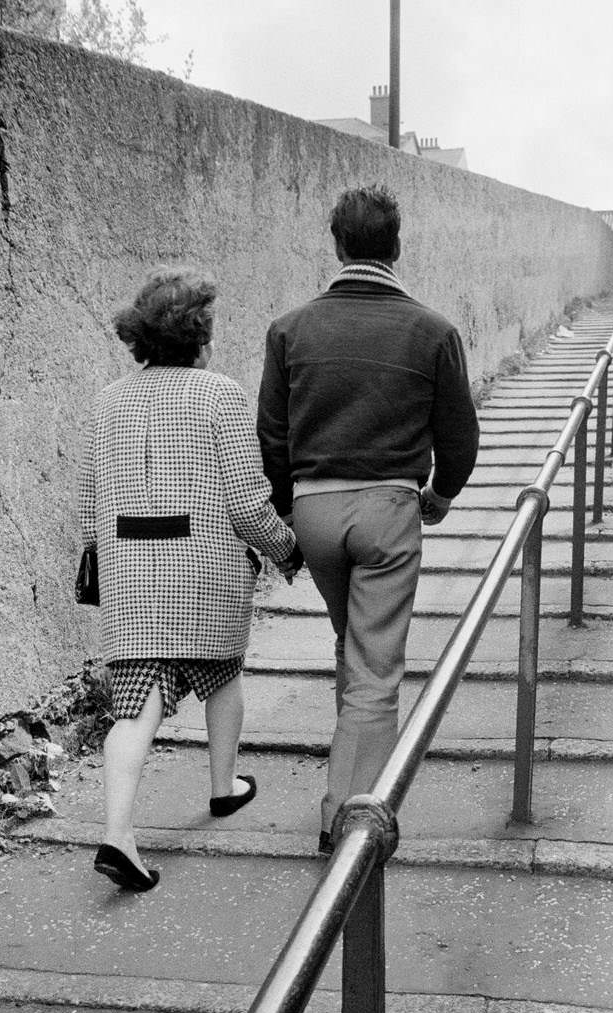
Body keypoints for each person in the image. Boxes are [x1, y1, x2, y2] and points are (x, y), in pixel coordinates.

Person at [257, 185, 479, 855]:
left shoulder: (290, 330)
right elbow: (460, 438)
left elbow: (270, 436)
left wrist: (288, 515)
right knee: (377, 667)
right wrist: (440, 495)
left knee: (351, 644)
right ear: (396, 247)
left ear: (337, 244)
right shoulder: (433, 331)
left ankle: (347, 789)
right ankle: (349, 818)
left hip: (316, 510)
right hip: (386, 508)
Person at [79, 266, 299, 892]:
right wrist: (283, 549)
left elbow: (87, 495)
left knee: (135, 705)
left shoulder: (108, 399)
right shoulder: (220, 394)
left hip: (129, 569)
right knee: (224, 670)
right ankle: (223, 787)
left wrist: (99, 557)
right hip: (203, 565)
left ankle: (119, 834)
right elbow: (246, 499)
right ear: (201, 333)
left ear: (139, 336)